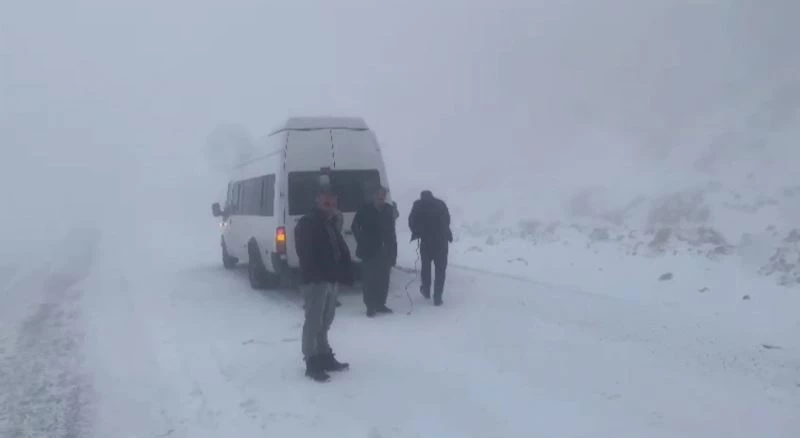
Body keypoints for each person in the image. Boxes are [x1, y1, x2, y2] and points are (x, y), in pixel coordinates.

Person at [294, 185, 354, 382]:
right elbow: (305, 254)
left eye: (333, 200)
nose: (330, 203)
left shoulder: (331, 222)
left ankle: (324, 355)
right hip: (315, 280)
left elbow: (338, 248)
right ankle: (311, 361)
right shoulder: (308, 223)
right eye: (326, 199)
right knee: (313, 322)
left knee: (326, 321)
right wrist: (316, 275)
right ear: (317, 200)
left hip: (331, 278)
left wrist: (343, 272)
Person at [351, 186, 398, 317]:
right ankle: (370, 306)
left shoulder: (388, 209)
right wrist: (361, 240)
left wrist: (393, 251)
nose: (381, 198)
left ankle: (380, 304)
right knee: (369, 280)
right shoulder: (365, 209)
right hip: (368, 251)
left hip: (385, 250)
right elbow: (354, 226)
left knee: (383, 279)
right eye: (379, 196)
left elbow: (392, 231)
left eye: (383, 196)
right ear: (374, 196)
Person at [408, 190, 452, 306]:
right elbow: (447, 220)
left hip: (426, 242)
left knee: (426, 268)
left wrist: (417, 232)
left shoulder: (418, 205)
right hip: (441, 242)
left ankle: (426, 290)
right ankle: (438, 297)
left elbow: (411, 221)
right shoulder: (440, 204)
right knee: (440, 270)